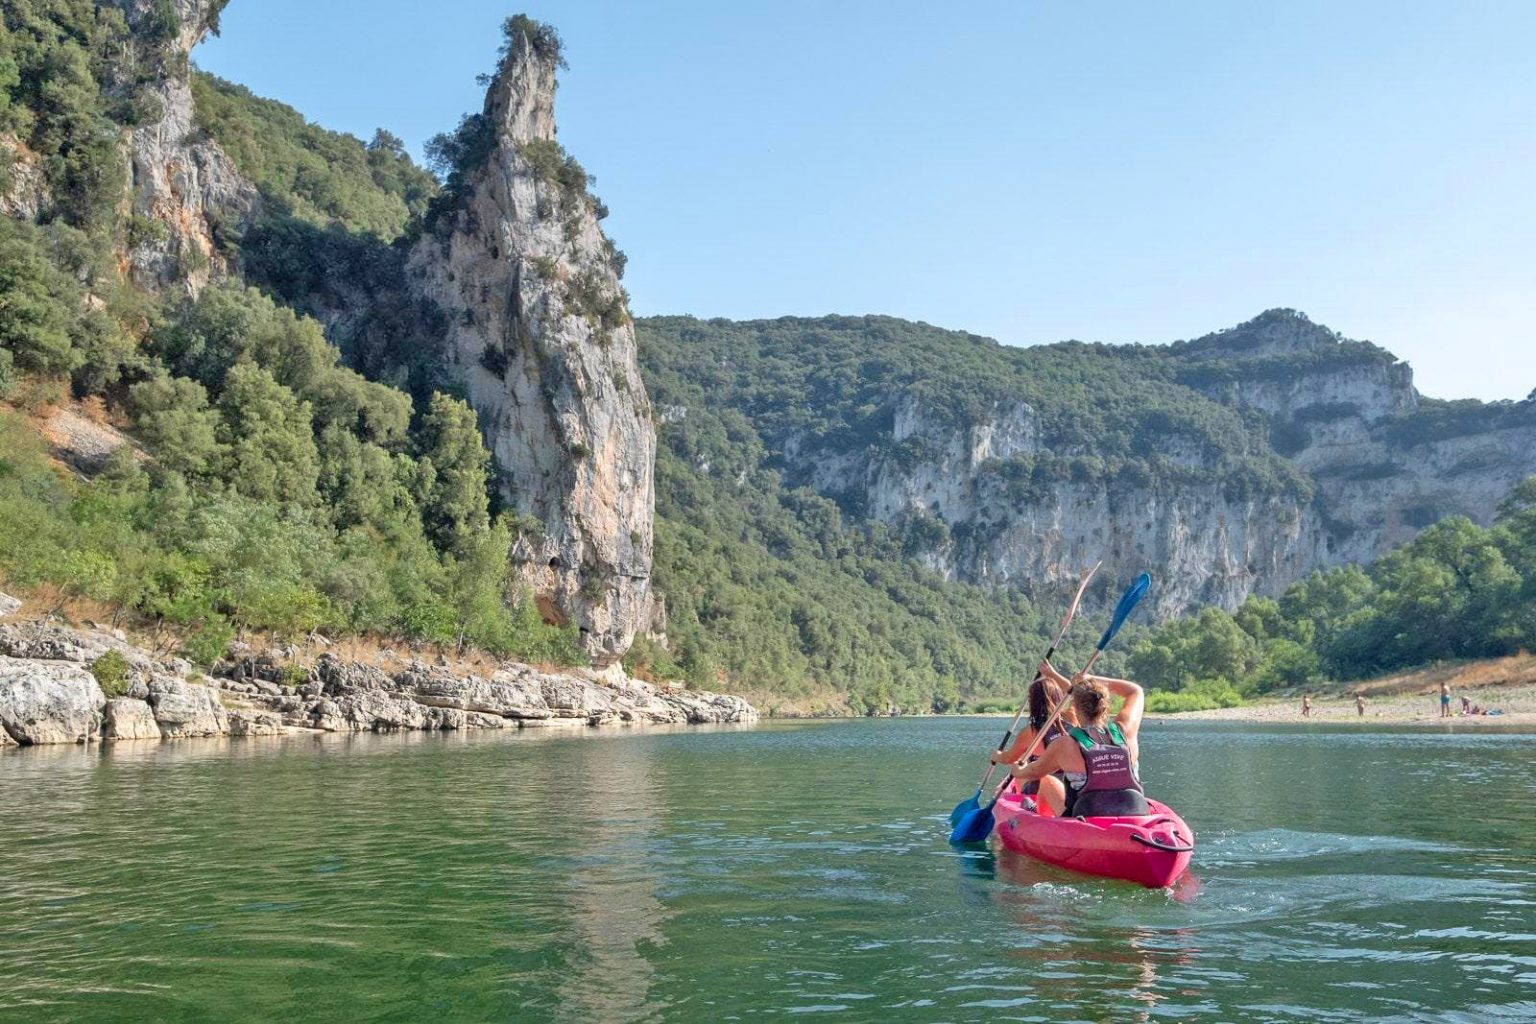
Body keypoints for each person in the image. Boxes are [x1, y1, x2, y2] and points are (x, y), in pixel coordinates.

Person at [1011, 670, 1148, 818]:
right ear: (1104, 704)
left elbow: (1034, 772)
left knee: (1046, 780)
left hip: (1086, 816)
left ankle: (1040, 815)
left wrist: (1018, 771)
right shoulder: (1126, 730)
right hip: (1135, 810)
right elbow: (1135, 691)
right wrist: (1090, 678)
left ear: (1074, 707)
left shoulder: (1065, 744)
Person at [991, 663, 1075, 813]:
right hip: (1071, 783)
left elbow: (1009, 758)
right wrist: (1052, 674)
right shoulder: (1072, 719)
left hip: (1045, 785)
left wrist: (996, 756)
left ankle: (1026, 803)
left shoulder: (1032, 732)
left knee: (1019, 763)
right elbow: (1072, 690)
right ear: (1059, 698)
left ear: (1033, 702)